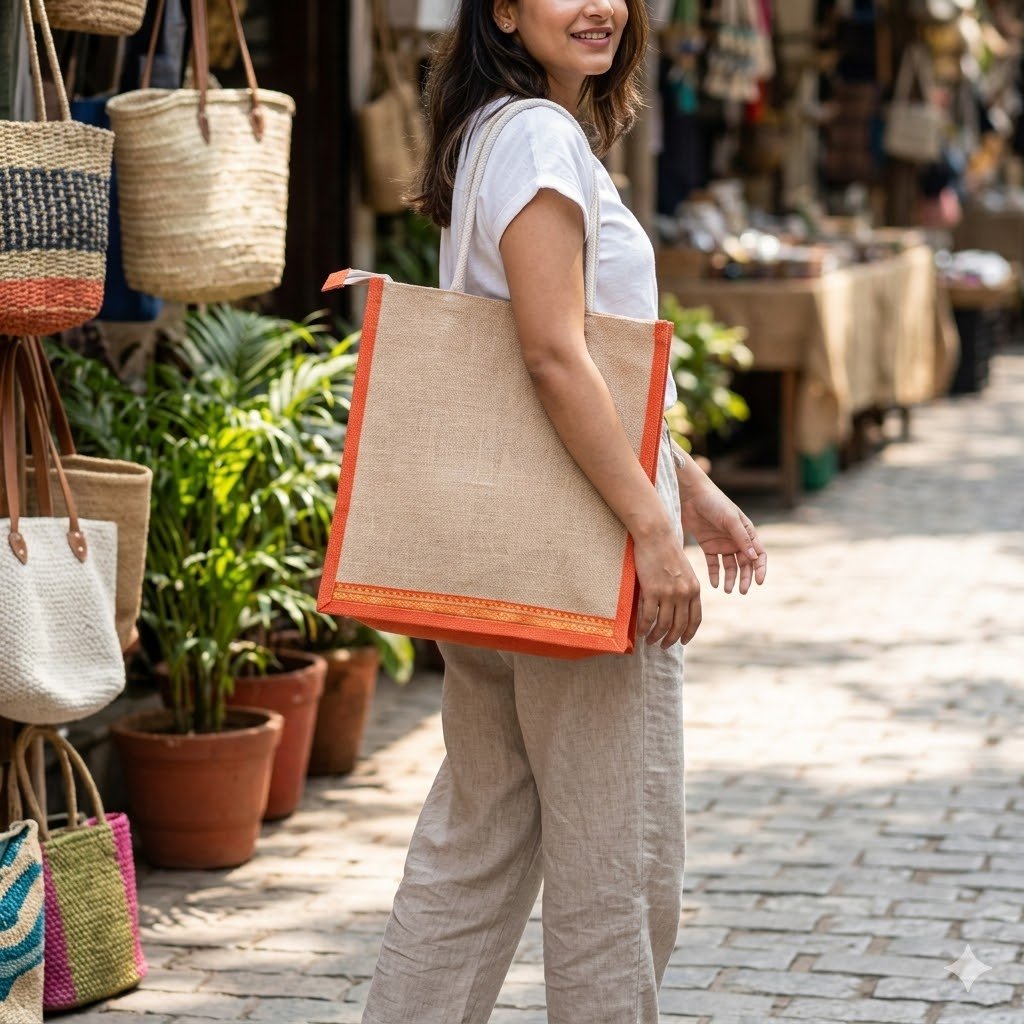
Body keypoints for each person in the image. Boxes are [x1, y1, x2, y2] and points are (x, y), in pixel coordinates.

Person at [359, 1, 768, 1021]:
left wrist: (688, 481)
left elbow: (542, 362)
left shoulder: (499, 127)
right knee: (617, 881)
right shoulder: (540, 137)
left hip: (508, 553)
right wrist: (652, 526)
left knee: (475, 854)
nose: (596, 6)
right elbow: (550, 355)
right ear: (502, 7)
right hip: (579, 553)